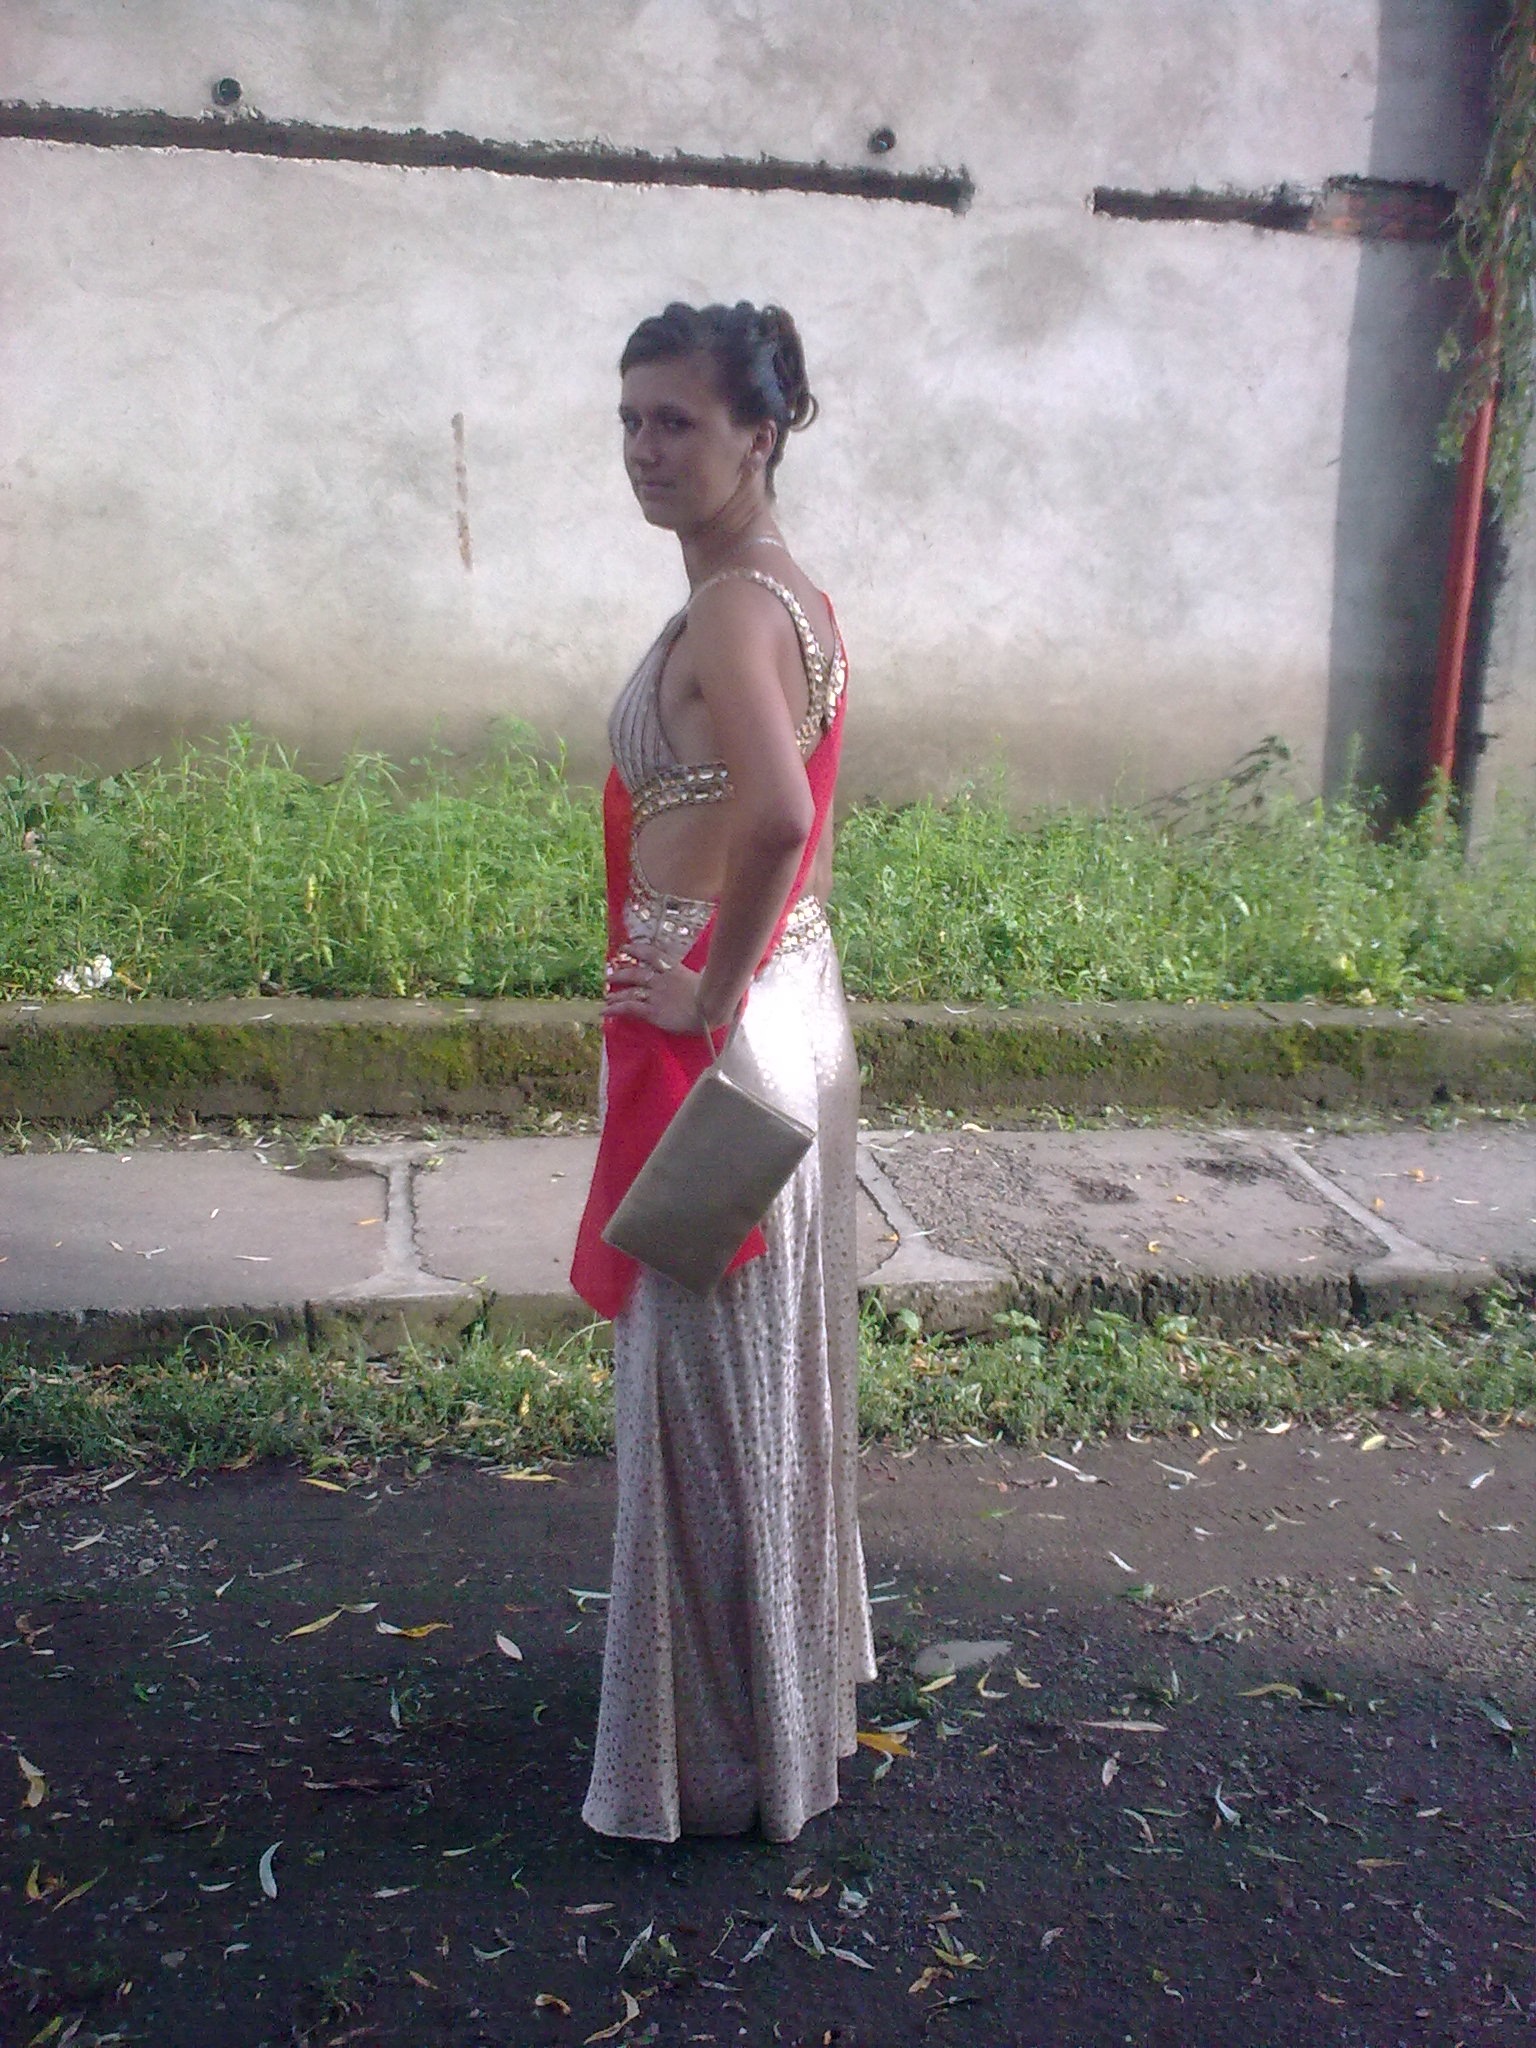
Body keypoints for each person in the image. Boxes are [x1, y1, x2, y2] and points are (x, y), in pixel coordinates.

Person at [570, 300, 876, 1842]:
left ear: (760, 435)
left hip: (725, 1039)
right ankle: (764, 1713)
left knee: (696, 1391)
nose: (645, 448)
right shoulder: (784, 589)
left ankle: (713, 1757)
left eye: (676, 421)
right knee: (759, 1382)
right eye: (631, 418)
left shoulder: (733, 614)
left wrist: (705, 985)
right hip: (784, 1013)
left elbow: (776, 814)